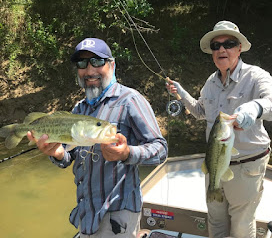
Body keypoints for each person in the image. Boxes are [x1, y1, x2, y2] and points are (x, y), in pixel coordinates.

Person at [27, 38, 168, 237]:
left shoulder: (130, 100)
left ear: (112, 64)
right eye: (82, 64)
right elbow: (70, 155)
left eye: (97, 61)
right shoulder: (79, 108)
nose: (90, 70)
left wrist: (127, 153)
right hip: (86, 216)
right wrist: (58, 154)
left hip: (117, 217)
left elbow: (161, 149)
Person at [166, 21, 272, 238]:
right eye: (216, 46)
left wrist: (255, 108)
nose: (222, 49)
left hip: (247, 164)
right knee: (215, 220)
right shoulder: (211, 82)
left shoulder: (255, 76)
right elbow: (200, 111)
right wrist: (182, 93)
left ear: (239, 48)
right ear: (212, 52)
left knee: (242, 225)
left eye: (229, 43)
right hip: (215, 163)